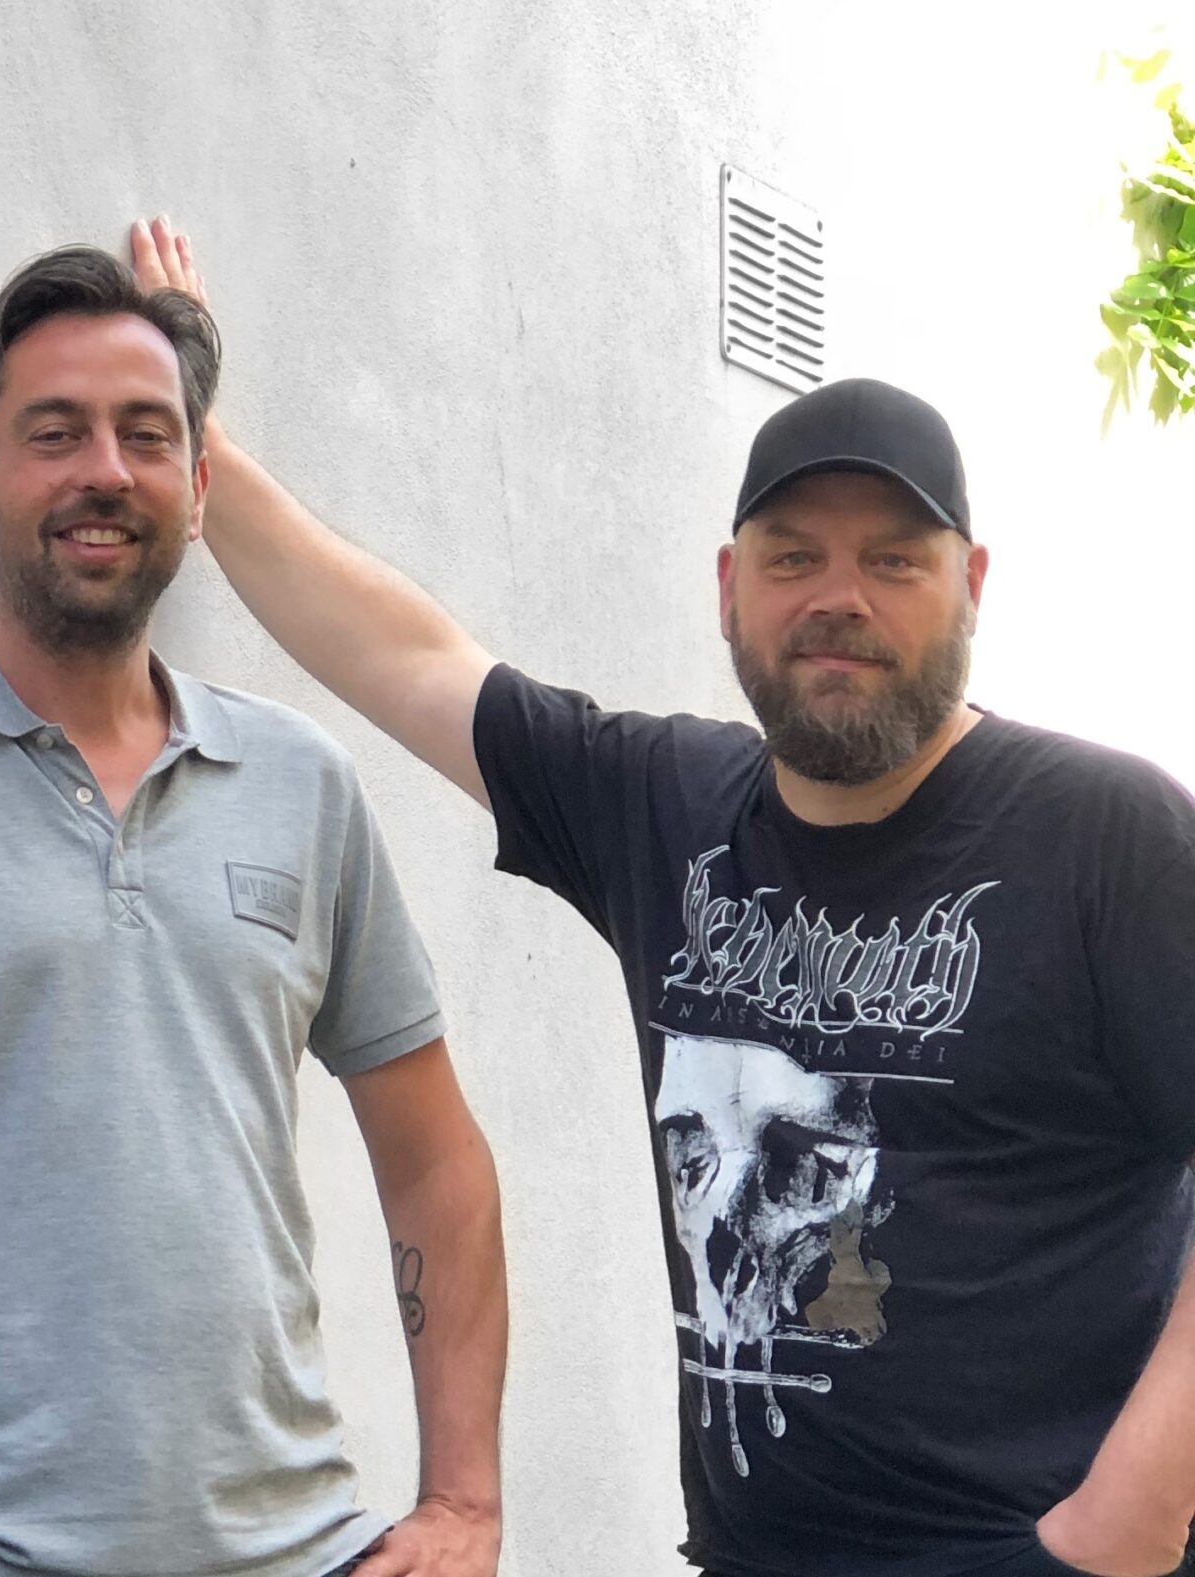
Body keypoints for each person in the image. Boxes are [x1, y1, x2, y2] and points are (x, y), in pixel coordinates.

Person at [131, 216, 1195, 1577]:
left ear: (971, 585)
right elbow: (405, 656)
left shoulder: (1108, 834)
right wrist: (187, 435)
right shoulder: (673, 809)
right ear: (728, 588)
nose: (839, 599)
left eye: (894, 560)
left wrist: (1124, 1523)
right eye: (793, 556)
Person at [0, 245, 507, 1577]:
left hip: (297, 1549)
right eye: (54, 433)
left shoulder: (300, 781)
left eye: (146, 434)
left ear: (199, 486)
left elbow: (434, 1161)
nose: (105, 472)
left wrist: (462, 1503)